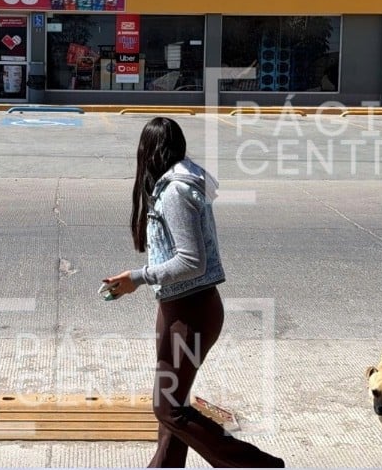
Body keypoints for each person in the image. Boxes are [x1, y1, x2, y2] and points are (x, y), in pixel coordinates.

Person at [102, 117, 284, 468]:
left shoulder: (175, 193)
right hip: (177, 307)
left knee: (167, 406)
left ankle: (255, 465)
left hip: (192, 311)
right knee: (175, 403)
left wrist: (138, 277)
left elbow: (192, 261)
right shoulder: (176, 185)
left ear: (150, 153)